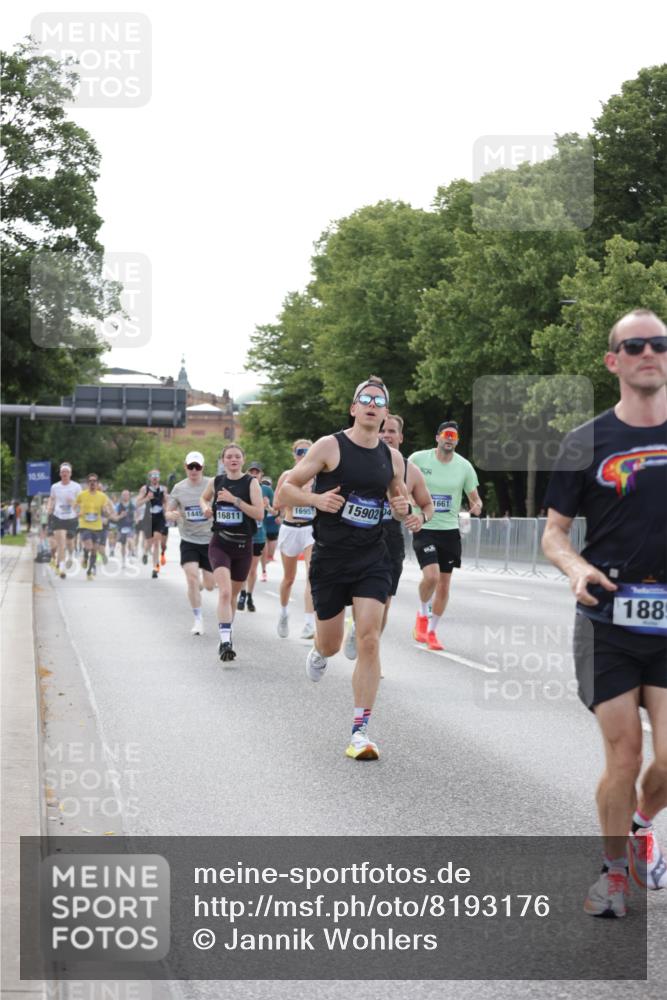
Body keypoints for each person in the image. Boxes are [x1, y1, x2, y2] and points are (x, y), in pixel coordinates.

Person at [542, 308, 667, 917]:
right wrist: (575, 569)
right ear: (613, 361)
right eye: (635, 345)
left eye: (659, 344)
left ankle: (641, 824)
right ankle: (613, 874)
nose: (650, 352)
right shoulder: (585, 441)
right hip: (608, 618)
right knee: (624, 754)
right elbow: (553, 534)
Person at [277, 377, 411, 761]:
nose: (372, 405)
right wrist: (316, 499)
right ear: (354, 408)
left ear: (384, 412)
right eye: (365, 399)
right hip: (331, 558)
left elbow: (398, 499)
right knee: (332, 644)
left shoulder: (392, 458)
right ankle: (319, 651)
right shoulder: (330, 446)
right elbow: (287, 490)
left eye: (379, 401)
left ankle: (360, 732)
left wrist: (402, 509)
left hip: (373, 556)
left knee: (369, 637)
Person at [344, 413, 434, 659]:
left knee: (384, 602)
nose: (386, 435)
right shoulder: (358, 461)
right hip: (358, 537)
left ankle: (369, 653)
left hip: (389, 542)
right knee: (359, 597)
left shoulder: (410, 470)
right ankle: (357, 627)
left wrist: (421, 518)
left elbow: (427, 505)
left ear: (400, 437)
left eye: (392, 431)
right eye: (383, 430)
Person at [408, 421, 482, 650]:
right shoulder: (418, 460)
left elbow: (474, 498)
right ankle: (422, 615)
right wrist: (414, 509)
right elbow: (404, 487)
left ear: (457, 441)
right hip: (425, 526)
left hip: (449, 531)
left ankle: (432, 632)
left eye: (454, 436)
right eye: (446, 434)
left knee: (444, 585)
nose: (450, 439)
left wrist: (476, 505)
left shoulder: (464, 467)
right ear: (437, 437)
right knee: (431, 577)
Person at [200, 445, 265, 661]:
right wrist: (205, 508)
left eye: (237, 456)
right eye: (229, 457)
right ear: (223, 461)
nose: (233, 459)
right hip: (220, 542)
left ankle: (225, 635)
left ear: (243, 460)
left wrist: (234, 500)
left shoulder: (251, 483)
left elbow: (259, 514)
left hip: (243, 546)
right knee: (225, 592)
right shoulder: (216, 481)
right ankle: (226, 642)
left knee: (234, 595)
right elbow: (203, 498)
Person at [167, 451, 215, 635]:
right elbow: (168, 510)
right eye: (190, 466)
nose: (194, 470)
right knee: (191, 578)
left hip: (210, 541)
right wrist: (171, 514)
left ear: (202, 467)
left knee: (210, 586)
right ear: (185, 467)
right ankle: (198, 619)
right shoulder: (179, 488)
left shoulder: (211, 484)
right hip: (188, 540)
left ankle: (202, 584)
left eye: (197, 467)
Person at [273, 440, 317, 640]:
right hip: (290, 528)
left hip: (311, 529)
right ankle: (283, 613)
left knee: (311, 576)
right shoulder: (287, 476)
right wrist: (299, 496)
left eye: (308, 452)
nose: (304, 455)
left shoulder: (319, 478)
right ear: (294, 455)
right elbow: (277, 504)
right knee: (289, 578)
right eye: (300, 452)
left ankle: (309, 624)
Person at [237, 461, 271, 613]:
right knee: (243, 567)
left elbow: (275, 512)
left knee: (252, 569)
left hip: (258, 535)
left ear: (261, 474)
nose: (254, 474)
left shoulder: (266, 490)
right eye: (251, 472)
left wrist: (268, 507)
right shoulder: (242, 488)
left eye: (256, 472)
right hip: (244, 533)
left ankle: (249, 595)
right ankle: (242, 593)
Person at [76, 474, 115, 580]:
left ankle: (89, 572)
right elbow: (75, 506)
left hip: (98, 527)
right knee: (88, 547)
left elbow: (108, 510)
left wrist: (107, 513)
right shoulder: (82, 495)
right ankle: (84, 557)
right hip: (85, 525)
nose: (92, 483)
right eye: (90, 481)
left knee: (94, 550)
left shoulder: (102, 497)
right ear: (88, 483)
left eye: (95, 481)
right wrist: (77, 512)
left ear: (97, 484)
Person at [46, 463, 81, 579]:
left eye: (67, 472)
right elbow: (52, 499)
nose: (65, 473)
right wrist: (49, 507)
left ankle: (71, 555)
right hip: (58, 517)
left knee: (70, 543)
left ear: (70, 474)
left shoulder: (76, 487)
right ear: (60, 474)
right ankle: (61, 568)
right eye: (63, 472)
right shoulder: (55, 487)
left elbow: (81, 504)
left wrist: (73, 503)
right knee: (61, 544)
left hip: (71, 518)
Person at [135, 470, 169, 579]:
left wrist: (167, 510)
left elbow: (166, 502)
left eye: (157, 476)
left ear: (159, 478)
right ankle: (145, 552)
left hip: (159, 518)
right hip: (148, 518)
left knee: (156, 542)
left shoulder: (163, 489)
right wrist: (147, 498)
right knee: (149, 542)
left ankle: (155, 568)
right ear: (150, 478)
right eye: (153, 476)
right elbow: (137, 503)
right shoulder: (144, 489)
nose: (155, 478)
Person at [261, 476, 279, 576]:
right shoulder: (258, 493)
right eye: (264, 483)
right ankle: (264, 570)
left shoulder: (273, 495)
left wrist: (268, 506)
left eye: (267, 484)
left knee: (269, 555)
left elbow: (277, 510)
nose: (266, 485)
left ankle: (265, 564)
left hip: (272, 526)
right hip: (262, 526)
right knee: (263, 549)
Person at [114, 490, 136, 566]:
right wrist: (121, 516)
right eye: (124, 495)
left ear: (129, 496)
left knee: (130, 539)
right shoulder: (118, 506)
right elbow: (115, 517)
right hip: (121, 526)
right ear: (121, 496)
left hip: (130, 526)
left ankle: (131, 554)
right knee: (123, 544)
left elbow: (136, 515)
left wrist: (136, 519)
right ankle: (123, 559)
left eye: (127, 495)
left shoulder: (132, 505)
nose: (125, 496)